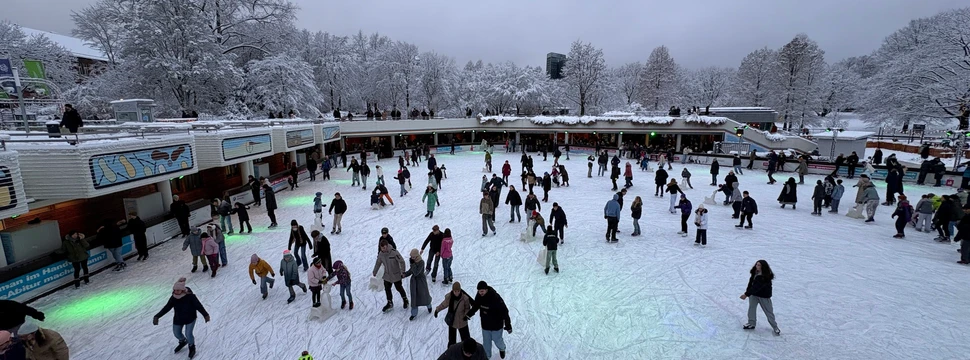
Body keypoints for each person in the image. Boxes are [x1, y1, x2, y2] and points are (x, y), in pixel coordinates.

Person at [153, 277, 210, 358]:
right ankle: (183, 341)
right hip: (178, 318)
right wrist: (157, 316)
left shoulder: (190, 297)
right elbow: (167, 307)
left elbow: (199, 306)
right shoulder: (173, 298)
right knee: (176, 333)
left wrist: (205, 315)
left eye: (178, 290)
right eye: (175, 290)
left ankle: (191, 346)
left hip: (190, 318)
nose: (176, 292)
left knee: (188, 334)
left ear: (183, 290)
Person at [466, 281, 513, 359]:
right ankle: (487, 357)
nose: (481, 293)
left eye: (482, 291)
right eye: (479, 291)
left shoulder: (495, 297)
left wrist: (508, 325)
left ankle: (502, 348)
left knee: (497, 340)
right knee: (486, 343)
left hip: (496, 325)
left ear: (486, 289)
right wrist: (469, 314)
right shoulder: (479, 296)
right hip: (485, 324)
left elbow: (504, 311)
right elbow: (476, 306)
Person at [740, 260, 780, 336]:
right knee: (751, 309)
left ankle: (775, 327)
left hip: (764, 296)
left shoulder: (765, 276)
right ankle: (751, 323)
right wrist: (748, 292)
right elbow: (751, 284)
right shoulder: (755, 273)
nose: (757, 266)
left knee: (769, 312)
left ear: (763, 267)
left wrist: (746, 294)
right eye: (756, 264)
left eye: (759, 265)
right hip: (753, 295)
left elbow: (757, 287)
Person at [434, 282, 474, 349]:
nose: (457, 293)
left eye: (458, 291)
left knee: (466, 339)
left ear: (460, 290)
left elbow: (467, 308)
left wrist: (466, 315)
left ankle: (468, 350)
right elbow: (443, 304)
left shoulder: (465, 298)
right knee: (452, 340)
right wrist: (437, 310)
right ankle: (451, 351)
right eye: (455, 291)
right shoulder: (450, 297)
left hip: (462, 321)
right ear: (453, 290)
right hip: (452, 321)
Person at [374, 239, 409, 313]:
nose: (383, 249)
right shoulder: (381, 254)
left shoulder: (394, 252)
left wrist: (403, 271)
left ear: (387, 246)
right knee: (387, 289)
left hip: (396, 274)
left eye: (384, 248)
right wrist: (375, 271)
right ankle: (389, 302)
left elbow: (402, 261)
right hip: (387, 275)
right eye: (381, 248)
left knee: (399, 288)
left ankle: (405, 299)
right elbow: (378, 263)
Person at [402, 249, 434, 321]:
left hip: (421, 282)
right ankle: (414, 313)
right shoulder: (413, 262)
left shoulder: (421, 262)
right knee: (414, 298)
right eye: (411, 257)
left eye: (413, 257)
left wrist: (412, 264)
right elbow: (411, 270)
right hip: (414, 283)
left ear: (416, 256)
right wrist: (405, 274)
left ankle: (429, 305)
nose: (412, 258)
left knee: (424, 295)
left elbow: (416, 272)